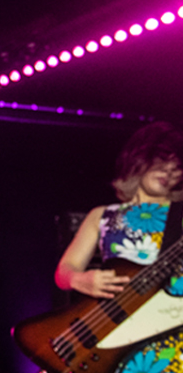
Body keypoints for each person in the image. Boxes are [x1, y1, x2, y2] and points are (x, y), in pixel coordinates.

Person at [55, 121, 183, 372]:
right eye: (161, 161)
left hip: (173, 333)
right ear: (138, 161)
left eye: (177, 166)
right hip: (116, 334)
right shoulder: (102, 216)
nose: (169, 171)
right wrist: (83, 279)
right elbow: (63, 272)